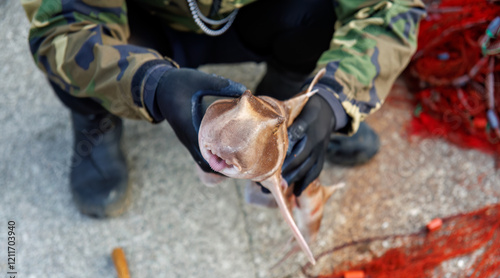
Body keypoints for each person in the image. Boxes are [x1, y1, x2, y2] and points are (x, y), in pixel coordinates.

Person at [21, 0, 426, 218]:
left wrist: (335, 100)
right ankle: (96, 121)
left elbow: (392, 7)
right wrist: (152, 84)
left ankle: (287, 110)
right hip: (141, 22)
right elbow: (62, 29)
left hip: (255, 15)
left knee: (316, 13)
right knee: (77, 56)